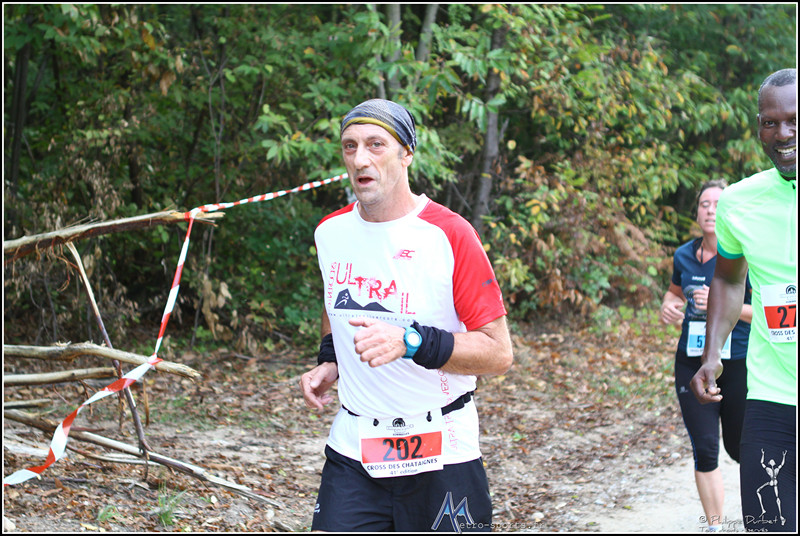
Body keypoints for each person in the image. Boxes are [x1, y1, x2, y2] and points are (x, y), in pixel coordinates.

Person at [299, 98, 513, 532]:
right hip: (356, 450)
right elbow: (335, 300)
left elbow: (498, 353)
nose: (360, 158)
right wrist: (331, 358)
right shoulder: (330, 232)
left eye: (376, 144)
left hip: (442, 448)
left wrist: (410, 341)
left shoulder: (449, 233)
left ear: (406, 153)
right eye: (350, 146)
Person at [690, 68, 797, 532]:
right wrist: (712, 353)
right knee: (767, 524)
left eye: (794, 120)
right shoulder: (738, 202)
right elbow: (730, 281)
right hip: (773, 395)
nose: (783, 134)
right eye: (771, 123)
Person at [660, 179, 752, 532]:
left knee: (739, 448)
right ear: (696, 212)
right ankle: (715, 527)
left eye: (718, 204)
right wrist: (669, 306)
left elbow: (764, 311)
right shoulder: (684, 254)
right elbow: (674, 293)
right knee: (705, 446)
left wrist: (721, 304)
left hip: (738, 362)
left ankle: (767, 515)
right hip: (692, 361)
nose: (711, 210)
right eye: (704, 204)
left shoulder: (746, 254)